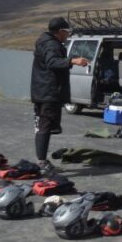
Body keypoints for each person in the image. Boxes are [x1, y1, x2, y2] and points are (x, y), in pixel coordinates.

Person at [30, 17, 89, 176]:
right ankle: (41, 162)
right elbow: (52, 62)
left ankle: (41, 160)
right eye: (67, 32)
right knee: (45, 126)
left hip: (42, 91)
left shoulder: (44, 41)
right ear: (60, 32)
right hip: (48, 92)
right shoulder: (51, 44)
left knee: (43, 126)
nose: (68, 35)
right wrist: (73, 61)